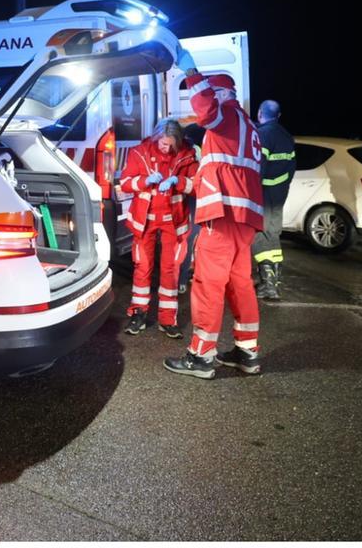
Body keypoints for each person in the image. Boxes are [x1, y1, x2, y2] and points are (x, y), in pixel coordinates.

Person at [164, 62, 265, 380]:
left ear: (222, 94)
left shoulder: (227, 116)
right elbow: (220, 171)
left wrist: (192, 73)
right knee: (240, 284)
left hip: (222, 216)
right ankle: (247, 352)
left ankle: (201, 357)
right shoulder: (247, 126)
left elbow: (207, 111)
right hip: (243, 218)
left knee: (208, 284)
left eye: (211, 92)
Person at [116, 118, 199, 338]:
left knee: (170, 270)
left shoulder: (187, 155)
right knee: (142, 267)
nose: (166, 148)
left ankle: (167, 319)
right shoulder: (139, 152)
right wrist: (145, 180)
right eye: (163, 143)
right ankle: (139, 314)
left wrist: (177, 182)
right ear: (156, 137)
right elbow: (125, 183)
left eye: (171, 144)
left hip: (174, 221)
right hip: (145, 221)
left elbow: (197, 186)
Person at [252, 99, 296, 300]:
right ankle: (274, 280)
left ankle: (268, 285)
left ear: (260, 113)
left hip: (263, 193)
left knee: (260, 235)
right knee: (273, 233)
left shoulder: (262, 135)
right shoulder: (286, 136)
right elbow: (291, 167)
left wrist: (252, 190)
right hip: (280, 193)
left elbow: (258, 166)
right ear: (278, 116)